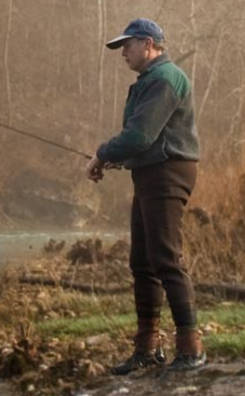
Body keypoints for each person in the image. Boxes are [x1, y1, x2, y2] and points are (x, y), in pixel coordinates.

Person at [85, 18, 205, 374]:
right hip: (153, 172)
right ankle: (147, 349)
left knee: (166, 258)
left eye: (128, 45)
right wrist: (119, 160)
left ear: (149, 44)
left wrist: (104, 152)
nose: (123, 53)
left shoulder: (166, 79)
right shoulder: (151, 81)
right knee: (142, 262)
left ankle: (191, 349)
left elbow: (140, 136)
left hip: (168, 173)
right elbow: (144, 141)